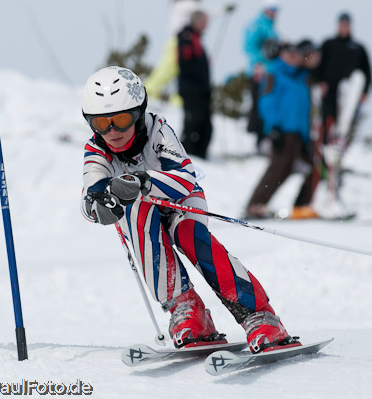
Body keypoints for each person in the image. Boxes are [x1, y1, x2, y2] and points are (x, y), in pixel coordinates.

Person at [80, 66, 300, 353]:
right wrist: (98, 205)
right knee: (135, 214)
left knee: (189, 235)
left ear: (138, 113)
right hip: (142, 210)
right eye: (101, 123)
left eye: (121, 120)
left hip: (180, 200)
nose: (113, 131)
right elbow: (90, 193)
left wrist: (142, 181)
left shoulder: (158, 129)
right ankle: (188, 312)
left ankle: (260, 315)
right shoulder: (96, 149)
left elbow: (185, 178)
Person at [245, 43, 318, 220]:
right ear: (282, 56)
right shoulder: (274, 73)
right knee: (279, 168)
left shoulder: (302, 78)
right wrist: (273, 127)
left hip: (300, 133)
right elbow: (267, 101)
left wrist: (307, 134)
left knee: (314, 167)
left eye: (296, 54)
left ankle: (301, 206)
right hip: (282, 130)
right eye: (289, 54)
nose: (293, 58)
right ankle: (255, 205)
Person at [316, 12, 371, 144]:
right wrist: (319, 81)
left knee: (346, 119)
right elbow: (318, 63)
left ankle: (341, 141)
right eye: (342, 25)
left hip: (349, 92)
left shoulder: (359, 48)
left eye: (346, 25)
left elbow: (367, 71)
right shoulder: (328, 44)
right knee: (327, 117)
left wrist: (365, 91)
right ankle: (324, 143)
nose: (344, 27)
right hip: (329, 89)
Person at [243, 1, 280, 147]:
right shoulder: (257, 25)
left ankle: (264, 137)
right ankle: (259, 137)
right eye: (271, 9)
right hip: (260, 72)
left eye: (276, 10)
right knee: (260, 105)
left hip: (271, 73)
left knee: (268, 105)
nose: (274, 12)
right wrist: (259, 63)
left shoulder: (271, 27)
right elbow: (249, 47)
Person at [177, 10, 213, 159]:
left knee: (206, 126)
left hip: (201, 90)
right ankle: (186, 156)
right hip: (192, 90)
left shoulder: (196, 38)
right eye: (204, 22)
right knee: (193, 124)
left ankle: (200, 155)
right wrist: (199, 72)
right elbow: (185, 63)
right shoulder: (187, 38)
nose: (206, 26)